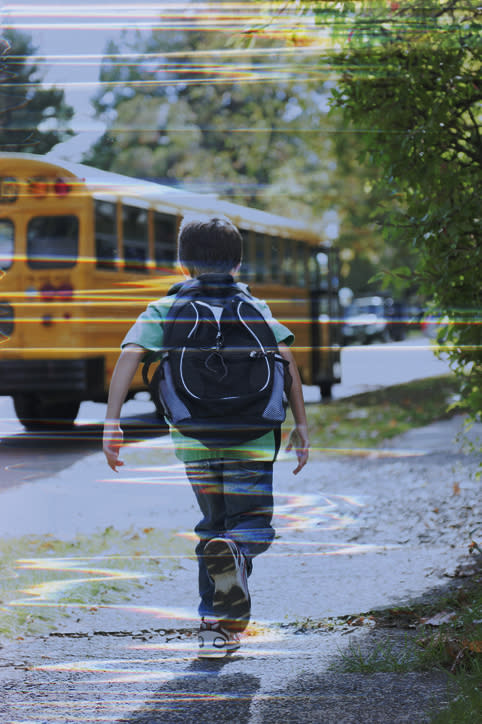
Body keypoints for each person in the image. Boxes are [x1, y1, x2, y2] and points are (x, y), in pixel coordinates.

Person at [103, 215, 309, 657]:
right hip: (253, 435)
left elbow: (130, 356)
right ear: (238, 264)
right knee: (248, 524)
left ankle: (214, 624)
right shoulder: (257, 307)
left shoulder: (165, 308)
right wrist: (302, 427)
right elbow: (286, 363)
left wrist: (112, 421)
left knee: (210, 527)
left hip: (195, 437)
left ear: (182, 264)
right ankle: (234, 558)